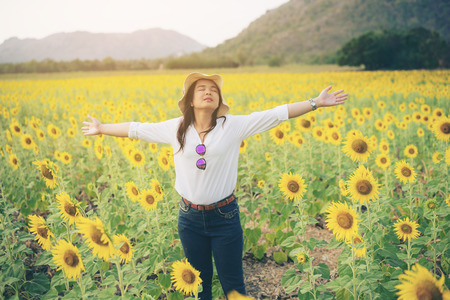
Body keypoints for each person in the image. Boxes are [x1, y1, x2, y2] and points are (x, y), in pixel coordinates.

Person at [82, 72, 348, 299]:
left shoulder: (232, 126)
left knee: (234, 285)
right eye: (201, 89)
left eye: (213, 90)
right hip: (189, 218)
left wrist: (316, 102)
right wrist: (102, 127)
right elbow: (137, 129)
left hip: (224, 217)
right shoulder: (175, 128)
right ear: (190, 100)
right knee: (199, 286)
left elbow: (276, 114)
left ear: (219, 99)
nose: (208, 92)